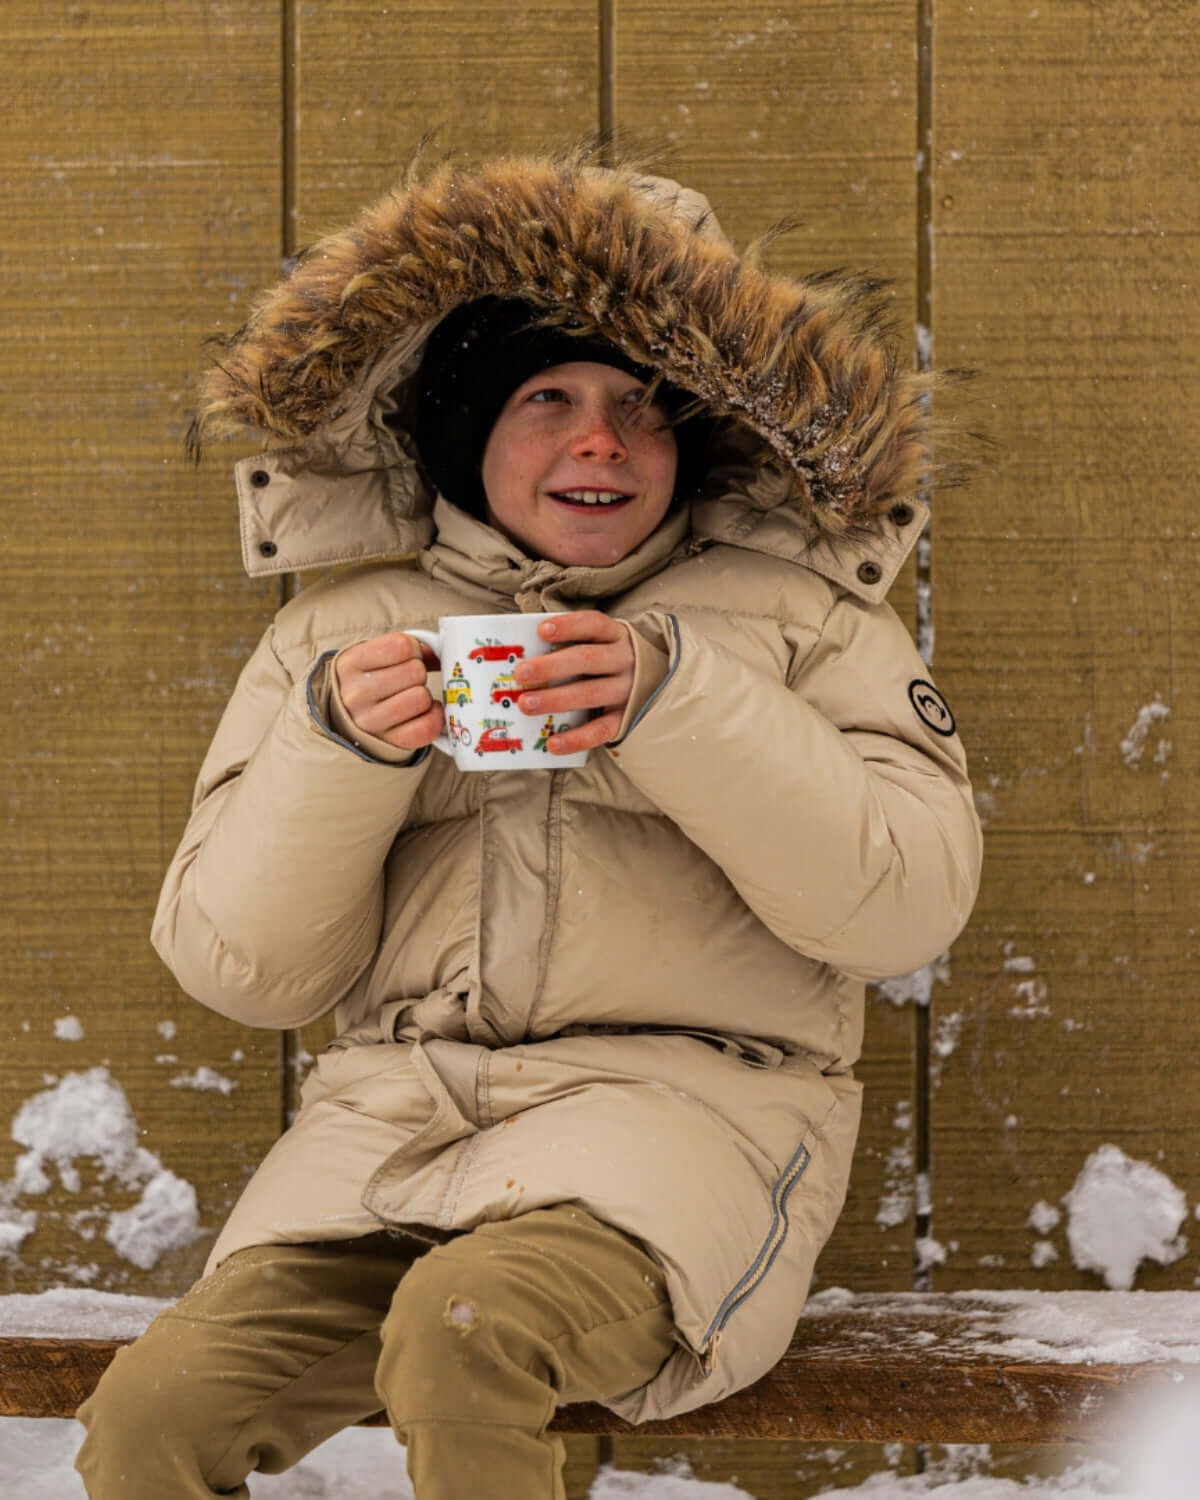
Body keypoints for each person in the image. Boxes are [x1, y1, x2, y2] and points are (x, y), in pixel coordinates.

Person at [76, 144, 983, 1499]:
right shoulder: (336, 637)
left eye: (643, 405)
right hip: (392, 1130)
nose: (601, 440)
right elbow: (243, 968)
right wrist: (341, 749)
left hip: (684, 1121)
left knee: (467, 1337)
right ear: (460, 428)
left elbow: (905, 905)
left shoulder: (810, 627)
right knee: (153, 1415)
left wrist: (677, 701)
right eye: (546, 397)